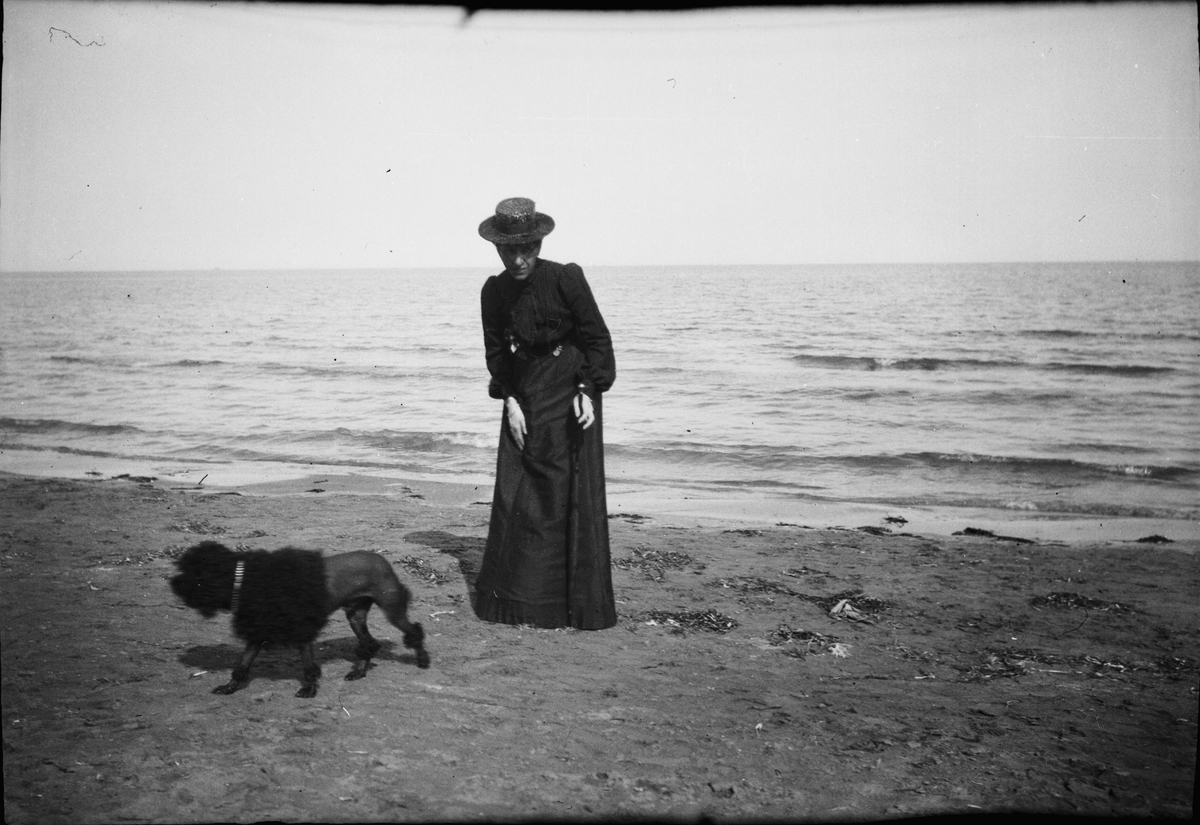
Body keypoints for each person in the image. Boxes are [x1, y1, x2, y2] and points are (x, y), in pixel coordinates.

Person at [475, 197, 617, 630]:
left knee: (565, 493)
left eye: (527, 249)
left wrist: (588, 389)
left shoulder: (565, 278)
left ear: (538, 244)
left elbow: (597, 339)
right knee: (518, 492)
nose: (518, 260)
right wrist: (509, 400)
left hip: (572, 390)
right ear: (498, 249)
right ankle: (520, 603)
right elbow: (496, 353)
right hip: (525, 392)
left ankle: (567, 605)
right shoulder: (494, 291)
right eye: (509, 251)